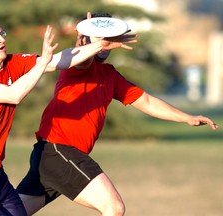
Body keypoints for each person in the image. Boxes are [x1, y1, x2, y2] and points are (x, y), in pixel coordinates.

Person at [16, 12, 219, 216]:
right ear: (85, 37)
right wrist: (87, 41)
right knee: (113, 207)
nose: (106, 42)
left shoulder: (109, 75)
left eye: (110, 36)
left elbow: (146, 101)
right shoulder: (78, 65)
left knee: (10, 212)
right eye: (100, 36)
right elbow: (80, 59)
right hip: (59, 151)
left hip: (51, 155)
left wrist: (187, 118)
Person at [0, 11, 137, 216]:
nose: (1, 38)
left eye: (1, 33)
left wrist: (99, 45)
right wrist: (42, 63)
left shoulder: (12, 63)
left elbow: (60, 61)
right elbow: (13, 95)